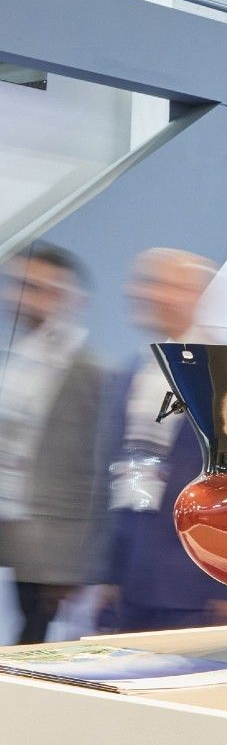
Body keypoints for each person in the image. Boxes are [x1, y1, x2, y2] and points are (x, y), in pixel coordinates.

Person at [97, 248, 227, 632]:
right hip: (131, 577)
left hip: (194, 584)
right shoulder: (133, 370)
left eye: (164, 284)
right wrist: (107, 574)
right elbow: (118, 478)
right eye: (145, 282)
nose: (147, 293)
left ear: (198, 296)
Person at [0, 244, 105, 644]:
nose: (20, 297)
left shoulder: (86, 370)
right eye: (18, 285)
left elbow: (92, 469)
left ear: (66, 297)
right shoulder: (17, 357)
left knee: (33, 644)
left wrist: (75, 562)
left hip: (50, 547)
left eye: (35, 288)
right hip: (14, 528)